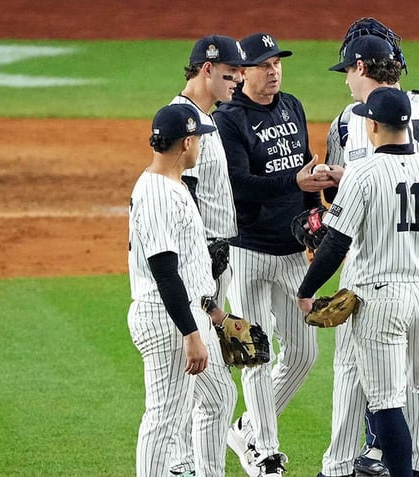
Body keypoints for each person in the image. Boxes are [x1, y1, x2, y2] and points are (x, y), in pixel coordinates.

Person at [298, 86, 419, 477]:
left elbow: (336, 242)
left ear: (372, 124)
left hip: (380, 299)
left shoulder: (362, 175)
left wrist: (307, 291)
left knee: (387, 400)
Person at [212, 32, 336, 477]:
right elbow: (240, 184)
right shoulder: (228, 119)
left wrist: (313, 216)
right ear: (242, 72)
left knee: (304, 353)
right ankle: (265, 453)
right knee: (255, 352)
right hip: (247, 249)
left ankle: (245, 427)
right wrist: (294, 185)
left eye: (277, 62)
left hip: (289, 251)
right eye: (263, 64)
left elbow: (301, 165)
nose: (273, 71)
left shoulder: (293, 106)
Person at [127, 103, 238, 477]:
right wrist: (191, 334)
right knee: (165, 418)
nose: (202, 148)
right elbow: (165, 272)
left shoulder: (172, 186)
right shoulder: (157, 193)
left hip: (189, 312)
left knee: (220, 397)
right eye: (199, 141)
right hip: (168, 319)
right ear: (187, 142)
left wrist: (214, 314)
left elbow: (188, 269)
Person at [167, 34, 255, 477]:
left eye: (240, 74)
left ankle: (188, 467)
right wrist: (203, 252)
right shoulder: (186, 121)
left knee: (200, 386)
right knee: (207, 389)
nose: (238, 81)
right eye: (229, 74)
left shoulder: (207, 118)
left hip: (212, 267)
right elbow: (184, 195)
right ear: (205, 69)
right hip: (197, 269)